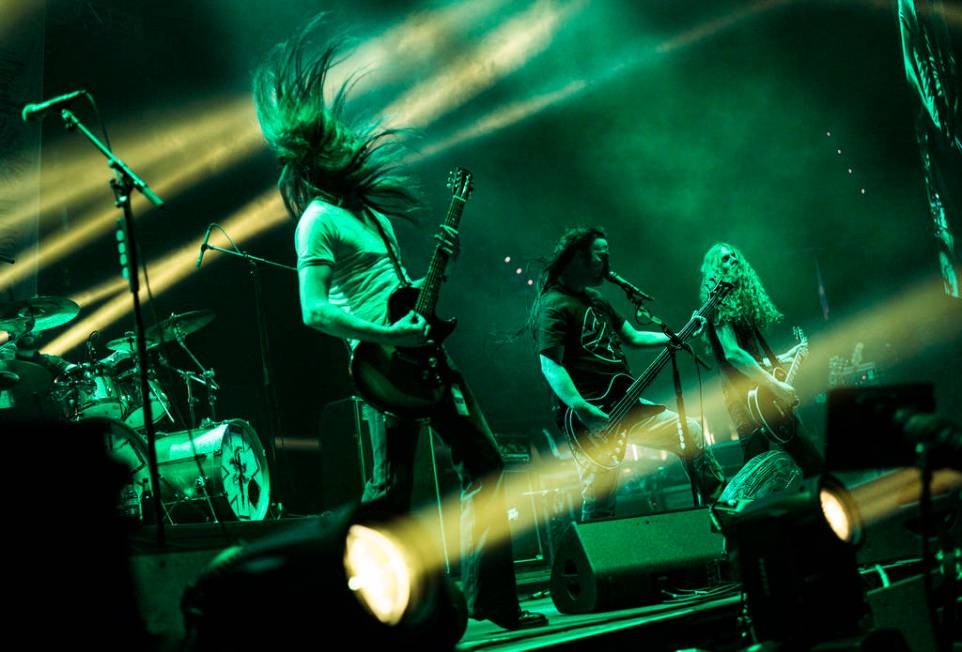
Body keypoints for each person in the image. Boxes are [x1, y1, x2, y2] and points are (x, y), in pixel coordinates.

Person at [252, 18, 546, 630]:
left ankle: (492, 599)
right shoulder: (316, 222)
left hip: (425, 357)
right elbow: (314, 311)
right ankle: (361, 614)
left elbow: (393, 291)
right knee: (389, 498)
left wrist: (423, 288)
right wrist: (392, 337)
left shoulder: (370, 217)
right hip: (383, 370)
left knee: (487, 464)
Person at [531, 226, 725, 521]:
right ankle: (598, 562)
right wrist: (582, 407)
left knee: (690, 432)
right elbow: (551, 365)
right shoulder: (553, 304)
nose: (607, 262)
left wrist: (679, 335)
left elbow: (632, 336)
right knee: (600, 495)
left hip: (626, 401)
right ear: (578, 257)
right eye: (601, 255)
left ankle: (722, 511)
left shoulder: (596, 299)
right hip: (592, 415)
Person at [698, 242, 824, 476]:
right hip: (742, 396)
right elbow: (733, 354)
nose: (733, 260)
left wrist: (784, 357)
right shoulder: (718, 304)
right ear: (715, 269)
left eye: (734, 256)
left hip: (763, 389)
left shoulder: (739, 303)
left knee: (811, 461)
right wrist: (777, 385)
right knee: (758, 473)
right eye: (725, 259)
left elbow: (750, 360)